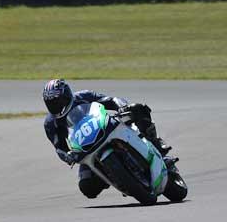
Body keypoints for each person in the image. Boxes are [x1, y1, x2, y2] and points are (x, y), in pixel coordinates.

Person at [42, 79, 173, 199]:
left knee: (138, 109)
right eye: (50, 103)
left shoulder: (83, 96)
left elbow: (111, 100)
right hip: (85, 149)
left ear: (66, 96)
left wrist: (121, 106)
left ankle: (156, 143)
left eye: (57, 101)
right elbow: (59, 148)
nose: (55, 105)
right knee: (87, 187)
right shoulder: (50, 123)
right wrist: (68, 156)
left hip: (105, 127)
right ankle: (113, 175)